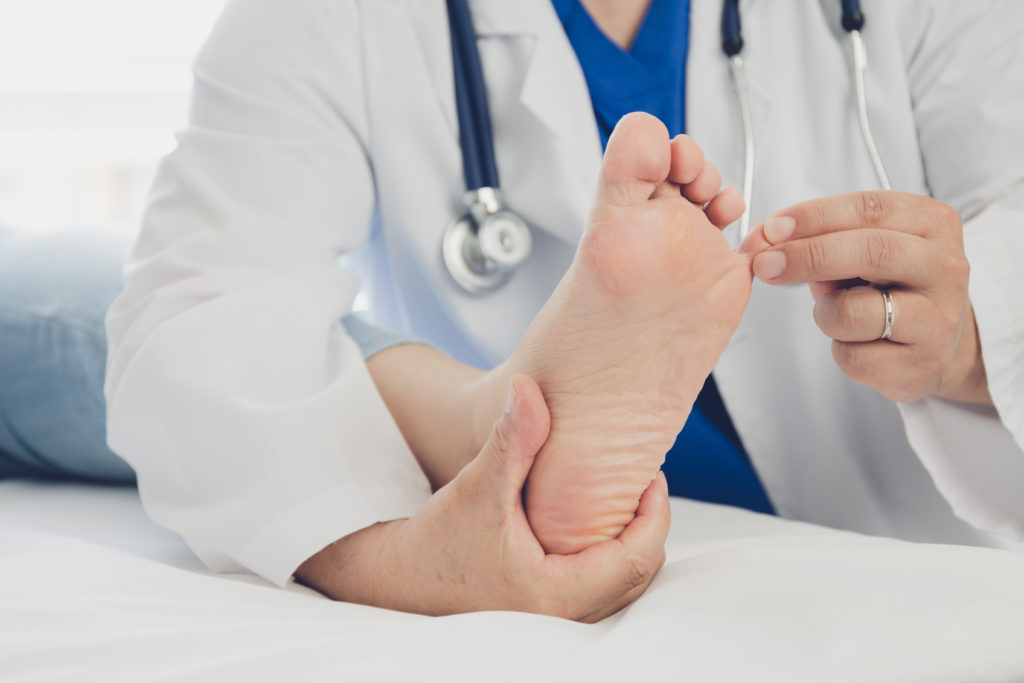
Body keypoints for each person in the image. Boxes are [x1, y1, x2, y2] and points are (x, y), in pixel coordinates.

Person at [3, 0, 1023, 620]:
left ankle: (483, 416)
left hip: (877, 494)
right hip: (510, 465)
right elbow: (194, 313)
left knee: (64, 316)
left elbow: (187, 315)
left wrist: (978, 336)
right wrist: (404, 558)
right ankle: (480, 414)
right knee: (54, 314)